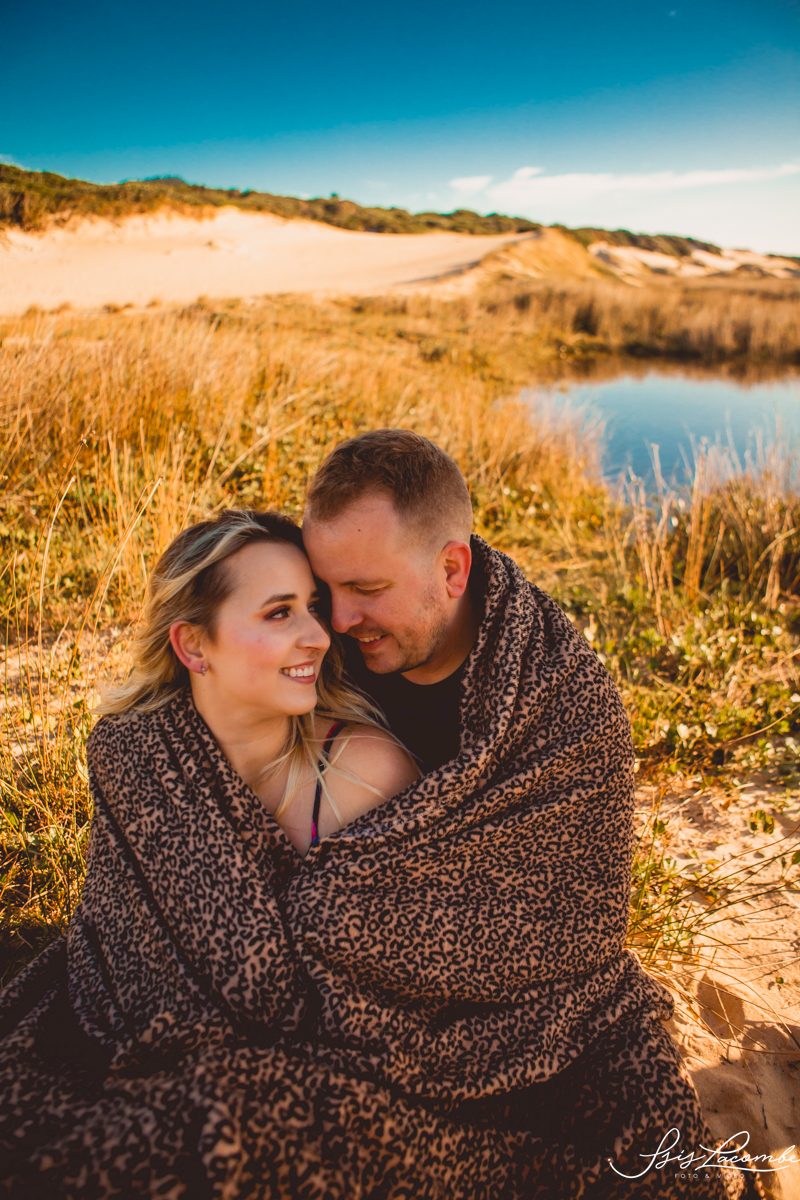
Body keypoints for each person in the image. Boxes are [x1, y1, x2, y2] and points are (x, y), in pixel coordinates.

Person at [301, 428, 760, 1200]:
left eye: (367, 589)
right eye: (327, 588)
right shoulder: (315, 648)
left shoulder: (565, 703)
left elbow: (577, 932)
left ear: (453, 569)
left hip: (540, 1019)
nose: (340, 619)